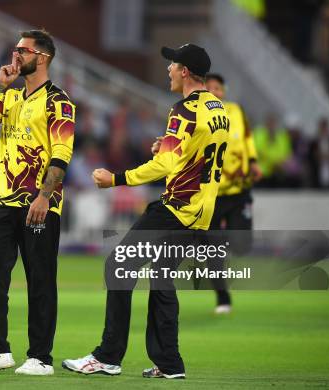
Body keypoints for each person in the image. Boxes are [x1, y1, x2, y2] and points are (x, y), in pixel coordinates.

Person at [62, 44, 228, 379]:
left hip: (176, 209)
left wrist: (116, 179)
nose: (168, 69)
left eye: (172, 64)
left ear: (185, 71)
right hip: (200, 213)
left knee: (118, 266)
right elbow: (197, 154)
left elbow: (165, 164)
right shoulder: (218, 108)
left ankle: (107, 356)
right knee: (162, 278)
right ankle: (170, 364)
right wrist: (167, 148)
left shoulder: (184, 110)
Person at [0, 29, 75, 376]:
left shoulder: (60, 102)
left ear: (43, 58)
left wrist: (45, 196)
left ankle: (40, 357)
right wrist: (0, 84)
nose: (15, 55)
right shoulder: (9, 97)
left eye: (22, 50)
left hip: (37, 204)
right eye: (15, 49)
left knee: (40, 280)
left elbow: (61, 154)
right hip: (1, 200)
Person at [205, 73, 262, 314]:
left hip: (239, 190)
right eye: (209, 89)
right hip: (211, 194)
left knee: (241, 245)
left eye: (218, 88)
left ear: (223, 91)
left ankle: (223, 240)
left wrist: (253, 161)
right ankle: (222, 298)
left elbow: (247, 138)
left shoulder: (236, 111)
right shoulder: (199, 116)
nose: (214, 92)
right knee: (211, 251)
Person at [308, 118, 329, 189]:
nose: (324, 129)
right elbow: (309, 157)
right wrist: (318, 157)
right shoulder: (314, 142)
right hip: (317, 175)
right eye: (322, 127)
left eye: (325, 127)